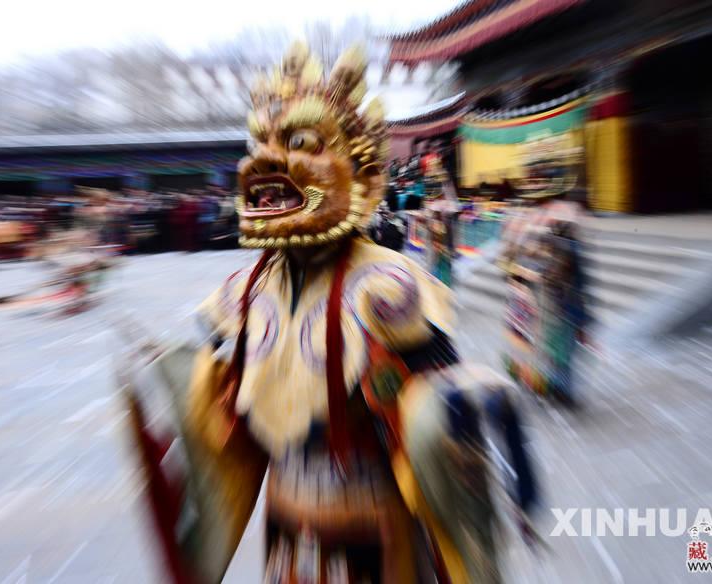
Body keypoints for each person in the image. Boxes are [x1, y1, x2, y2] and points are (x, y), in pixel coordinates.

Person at [123, 42, 537, 584]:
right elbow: (223, 403)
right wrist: (179, 378)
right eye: (260, 142)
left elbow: (437, 401)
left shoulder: (389, 287)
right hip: (290, 518)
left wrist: (455, 404)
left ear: (362, 177)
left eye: (300, 142)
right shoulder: (243, 292)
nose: (264, 161)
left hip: (372, 516)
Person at [498, 188, 588, 404]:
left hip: (536, 296)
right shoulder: (558, 234)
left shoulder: (528, 226)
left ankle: (547, 381)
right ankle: (558, 386)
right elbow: (569, 274)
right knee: (558, 345)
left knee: (545, 342)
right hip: (553, 300)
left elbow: (510, 262)